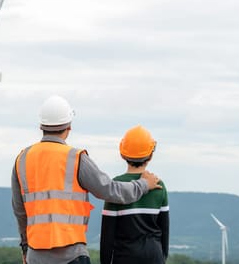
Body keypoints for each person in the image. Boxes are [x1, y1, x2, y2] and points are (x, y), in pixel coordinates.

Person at [11, 95, 162, 264]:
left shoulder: (22, 159)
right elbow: (110, 190)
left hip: (36, 256)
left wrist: (25, 248)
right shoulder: (75, 158)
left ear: (41, 126)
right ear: (69, 126)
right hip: (72, 255)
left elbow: (20, 211)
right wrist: (143, 185)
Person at [100, 125, 169, 264]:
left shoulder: (116, 186)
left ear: (122, 154)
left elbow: (108, 234)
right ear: (150, 156)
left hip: (125, 257)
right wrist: (162, 257)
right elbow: (165, 230)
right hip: (154, 256)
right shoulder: (159, 186)